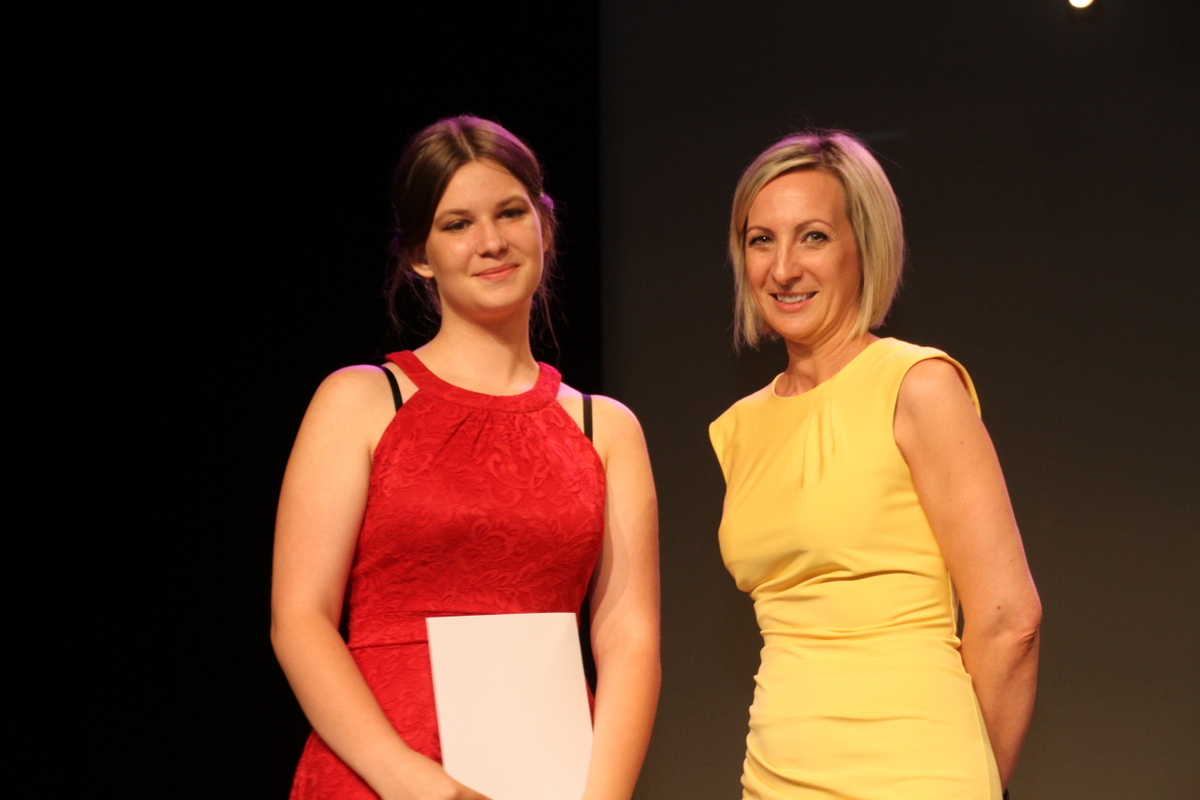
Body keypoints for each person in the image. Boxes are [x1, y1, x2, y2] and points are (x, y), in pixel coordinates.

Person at [272, 116, 660, 800]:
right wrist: (412, 781)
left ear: (544, 227)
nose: (491, 242)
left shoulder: (604, 428)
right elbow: (300, 619)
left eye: (510, 213)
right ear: (419, 255)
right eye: (458, 224)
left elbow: (629, 638)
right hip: (382, 776)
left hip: (550, 774)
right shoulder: (362, 401)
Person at [708, 131, 1041, 799]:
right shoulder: (740, 426)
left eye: (813, 237)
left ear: (865, 248)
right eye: (761, 240)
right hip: (775, 776)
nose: (783, 269)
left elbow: (1010, 621)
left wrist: (973, 783)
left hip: (915, 773)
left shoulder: (917, 386)